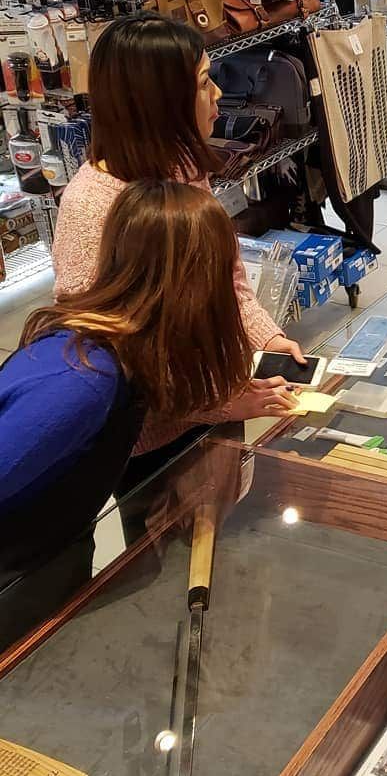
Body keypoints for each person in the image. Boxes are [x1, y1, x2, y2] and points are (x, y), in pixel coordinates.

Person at [0, 181, 280, 650]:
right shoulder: (84, 382)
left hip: (51, 561)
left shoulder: (121, 355)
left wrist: (212, 404)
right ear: (193, 285)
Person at [51, 13, 299, 538]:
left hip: (213, 403)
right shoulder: (92, 209)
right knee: (172, 570)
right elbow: (108, 359)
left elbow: (228, 279)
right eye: (204, 82)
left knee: (225, 541)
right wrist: (219, 402)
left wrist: (270, 339)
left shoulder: (183, 167)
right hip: (151, 443)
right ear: (158, 100)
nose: (216, 96)